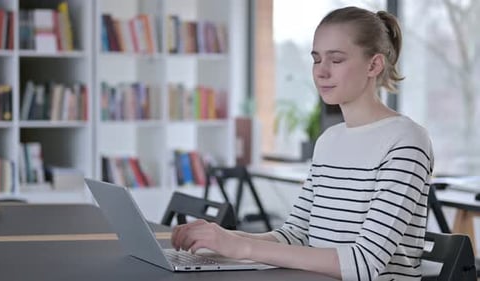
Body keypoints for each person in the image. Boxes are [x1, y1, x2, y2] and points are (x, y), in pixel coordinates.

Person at [171, 6, 434, 281]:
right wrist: (221, 238)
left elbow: (363, 263)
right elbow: (295, 234)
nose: (321, 72)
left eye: (336, 60)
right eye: (316, 59)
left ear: (374, 65)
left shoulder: (406, 141)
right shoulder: (329, 141)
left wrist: (242, 246)